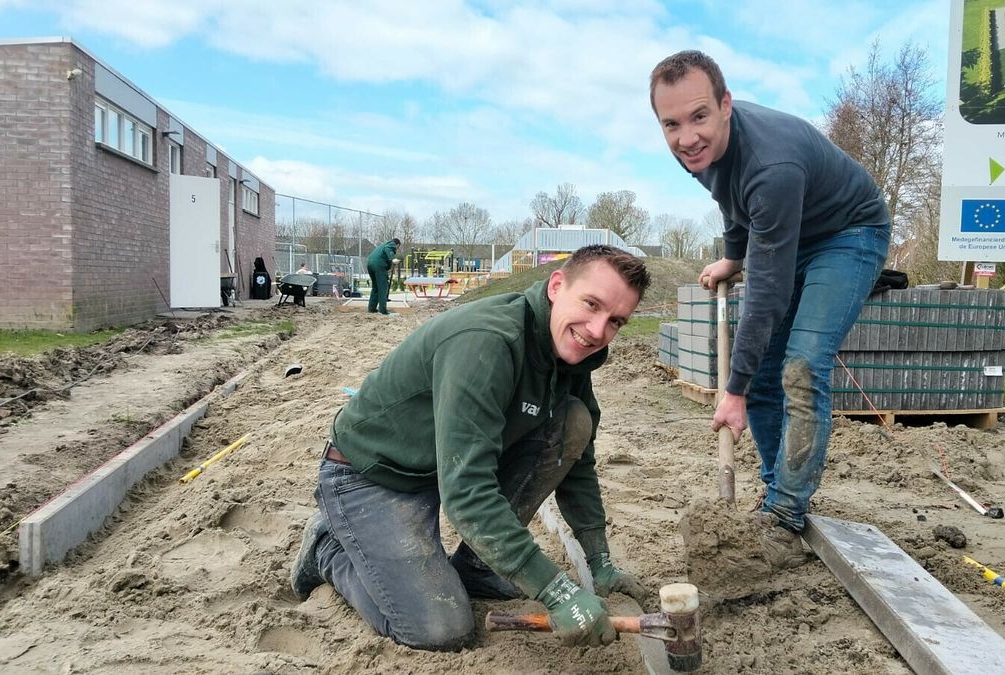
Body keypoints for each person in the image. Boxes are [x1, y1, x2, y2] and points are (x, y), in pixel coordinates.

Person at [289, 244, 651, 651]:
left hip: (441, 466)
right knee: (442, 630)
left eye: (615, 321)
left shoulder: (573, 356)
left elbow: (578, 463)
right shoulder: (489, 341)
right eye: (591, 304)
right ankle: (327, 550)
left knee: (572, 423)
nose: (598, 331)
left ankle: (478, 569)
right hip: (373, 476)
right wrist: (556, 592)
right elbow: (468, 492)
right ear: (556, 286)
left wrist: (599, 561)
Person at [649, 51, 890, 553]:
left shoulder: (772, 165)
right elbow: (730, 201)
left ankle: (784, 512)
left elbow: (767, 295)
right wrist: (733, 256)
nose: (686, 137)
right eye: (671, 124)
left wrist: (730, 391)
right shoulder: (696, 152)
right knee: (762, 377)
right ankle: (777, 484)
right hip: (792, 230)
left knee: (802, 364)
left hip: (847, 233)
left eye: (698, 117)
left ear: (725, 105)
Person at [366, 237, 399, 314]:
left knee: (375, 287)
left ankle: (372, 308)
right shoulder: (391, 244)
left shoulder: (382, 246)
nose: (396, 249)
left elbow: (385, 258)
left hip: (370, 264)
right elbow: (388, 249)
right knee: (383, 287)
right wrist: (392, 259)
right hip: (378, 265)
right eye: (397, 248)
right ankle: (383, 310)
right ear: (397, 245)